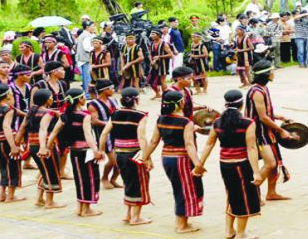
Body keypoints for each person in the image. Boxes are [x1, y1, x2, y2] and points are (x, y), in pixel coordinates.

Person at [195, 89, 262, 239]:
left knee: (232, 196)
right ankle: (241, 234)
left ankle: (229, 231)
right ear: (241, 104)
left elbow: (209, 143)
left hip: (225, 164)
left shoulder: (217, 122)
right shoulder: (247, 123)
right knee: (243, 199)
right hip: (241, 164)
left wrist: (200, 163)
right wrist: (256, 172)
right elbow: (251, 148)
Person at [143, 90, 204, 234]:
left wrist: (145, 157)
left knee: (179, 188)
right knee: (185, 191)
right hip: (181, 159)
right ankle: (182, 225)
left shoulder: (161, 119)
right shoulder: (185, 122)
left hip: (167, 158)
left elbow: (153, 142)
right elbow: (189, 144)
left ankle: (181, 221)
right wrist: (198, 164)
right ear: (180, 103)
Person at [46, 88, 104, 217]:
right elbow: (88, 135)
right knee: (90, 178)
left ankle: (80, 207)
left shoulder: (65, 115)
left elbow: (54, 132)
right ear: (80, 99)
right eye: (83, 97)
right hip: (85, 152)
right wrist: (96, 150)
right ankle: (86, 209)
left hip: (74, 152)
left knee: (79, 178)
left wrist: (47, 147)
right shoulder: (85, 116)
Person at [98, 87, 151, 225]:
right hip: (134, 154)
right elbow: (142, 138)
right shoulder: (140, 115)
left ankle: (128, 214)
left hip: (119, 154)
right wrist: (146, 157)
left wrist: (100, 150)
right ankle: (136, 218)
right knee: (138, 184)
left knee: (128, 182)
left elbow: (104, 134)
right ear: (136, 100)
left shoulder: (115, 113)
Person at [245, 60, 293, 200]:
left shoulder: (263, 88)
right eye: (271, 71)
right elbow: (263, 117)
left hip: (266, 131)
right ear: (266, 74)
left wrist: (280, 117)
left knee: (275, 164)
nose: (273, 73)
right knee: (270, 163)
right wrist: (281, 130)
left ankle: (271, 193)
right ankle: (251, 193)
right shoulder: (257, 91)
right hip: (257, 133)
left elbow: (266, 113)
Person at [15, 89, 65, 209]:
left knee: (44, 171)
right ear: (48, 100)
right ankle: (50, 202)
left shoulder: (31, 112)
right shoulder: (47, 113)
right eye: (51, 97)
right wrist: (44, 147)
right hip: (45, 147)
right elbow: (43, 129)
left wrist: (16, 143)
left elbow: (22, 128)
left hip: (32, 146)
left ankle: (39, 198)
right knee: (51, 173)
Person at [31, 61, 70, 179]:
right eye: (61, 70)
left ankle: (61, 171)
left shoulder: (62, 84)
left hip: (60, 118)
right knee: (49, 145)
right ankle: (42, 172)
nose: (64, 72)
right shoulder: (39, 86)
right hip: (46, 119)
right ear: (54, 72)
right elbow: (33, 105)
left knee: (64, 146)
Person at [87, 79, 122, 189]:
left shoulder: (113, 100)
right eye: (111, 88)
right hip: (104, 135)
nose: (113, 90)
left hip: (117, 133)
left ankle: (113, 179)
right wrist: (110, 124)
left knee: (121, 161)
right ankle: (105, 178)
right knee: (113, 160)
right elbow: (94, 121)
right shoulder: (93, 104)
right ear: (104, 90)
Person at [9, 64, 34, 169]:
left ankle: (27, 162)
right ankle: (15, 163)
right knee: (17, 140)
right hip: (15, 118)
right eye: (27, 74)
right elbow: (10, 106)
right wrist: (25, 114)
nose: (30, 76)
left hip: (27, 116)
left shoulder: (29, 86)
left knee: (29, 139)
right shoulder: (10, 88)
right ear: (19, 76)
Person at [148, 28, 173, 98]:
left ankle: (165, 96)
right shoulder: (152, 43)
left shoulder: (164, 44)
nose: (151, 36)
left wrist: (159, 56)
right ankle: (157, 94)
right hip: (154, 65)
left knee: (162, 81)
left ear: (158, 35)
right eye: (151, 34)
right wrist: (151, 61)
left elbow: (171, 55)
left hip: (163, 65)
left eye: (153, 34)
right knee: (151, 81)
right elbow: (150, 54)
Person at [77, 21, 95, 99]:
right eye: (93, 26)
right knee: (87, 78)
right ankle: (88, 94)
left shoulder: (83, 35)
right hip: (86, 59)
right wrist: (97, 48)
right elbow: (87, 48)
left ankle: (86, 93)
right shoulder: (86, 36)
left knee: (85, 77)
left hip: (82, 59)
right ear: (88, 27)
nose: (94, 27)